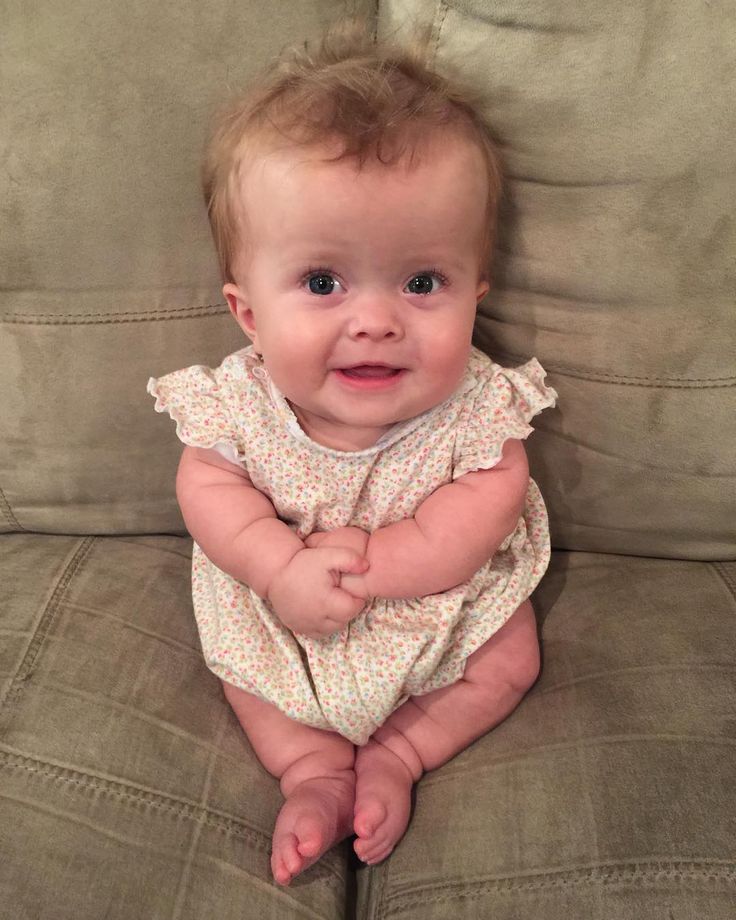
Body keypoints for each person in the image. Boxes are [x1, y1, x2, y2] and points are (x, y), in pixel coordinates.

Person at [148, 20, 557, 887]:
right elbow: (207, 484)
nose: (375, 320)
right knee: (244, 672)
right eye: (324, 283)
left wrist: (389, 563)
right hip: (283, 604)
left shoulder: (480, 404)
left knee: (510, 659)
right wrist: (273, 565)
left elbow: (493, 491)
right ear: (248, 312)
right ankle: (311, 771)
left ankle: (403, 755)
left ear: (475, 291)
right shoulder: (234, 402)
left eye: (422, 283)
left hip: (436, 603)